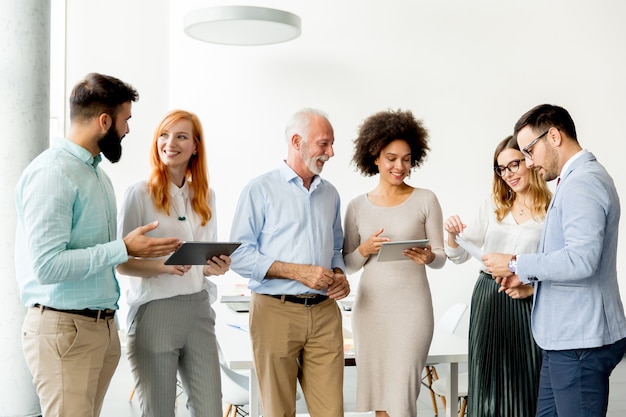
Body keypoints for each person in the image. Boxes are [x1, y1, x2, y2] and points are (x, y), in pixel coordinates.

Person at [14, 73, 181, 417]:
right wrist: (123, 248)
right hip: (65, 331)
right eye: (126, 120)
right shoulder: (53, 174)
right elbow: (47, 266)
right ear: (104, 121)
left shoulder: (97, 176)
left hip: (99, 329)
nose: (128, 131)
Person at [483, 104, 626, 417]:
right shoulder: (573, 179)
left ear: (554, 136)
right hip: (565, 339)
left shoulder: (582, 183)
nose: (530, 163)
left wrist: (516, 263)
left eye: (529, 151)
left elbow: (581, 259)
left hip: (578, 341)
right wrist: (529, 279)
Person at [229, 108, 351, 417]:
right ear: (297, 142)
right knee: (278, 412)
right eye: (324, 144)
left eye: (332, 144)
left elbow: (336, 248)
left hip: (325, 314)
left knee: (331, 412)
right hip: (275, 312)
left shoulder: (330, 194)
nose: (331, 152)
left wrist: (338, 274)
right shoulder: (260, 189)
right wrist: (297, 272)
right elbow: (239, 254)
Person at [117, 109, 230, 417]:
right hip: (156, 312)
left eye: (181, 136)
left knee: (210, 410)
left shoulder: (205, 195)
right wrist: (161, 267)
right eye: (164, 135)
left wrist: (214, 266)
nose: (170, 143)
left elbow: (201, 262)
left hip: (198, 310)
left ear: (195, 146)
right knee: (159, 411)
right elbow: (120, 262)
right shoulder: (139, 194)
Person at [342, 109, 446, 417]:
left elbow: (440, 257)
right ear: (375, 156)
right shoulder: (357, 206)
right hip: (371, 311)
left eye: (406, 158)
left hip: (412, 310)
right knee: (374, 397)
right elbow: (347, 264)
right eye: (391, 158)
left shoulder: (426, 199)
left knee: (402, 396)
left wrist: (428, 257)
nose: (400, 166)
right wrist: (365, 248)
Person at [444, 135, 552, 417]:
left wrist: (531, 286)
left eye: (514, 165)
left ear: (529, 161)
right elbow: (458, 254)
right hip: (489, 297)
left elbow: (556, 264)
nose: (508, 174)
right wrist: (452, 235)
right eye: (501, 169)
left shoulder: (553, 208)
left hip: (526, 301)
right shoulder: (493, 205)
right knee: (487, 381)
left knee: (526, 380)